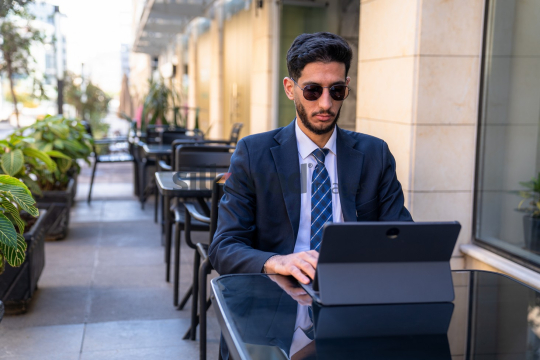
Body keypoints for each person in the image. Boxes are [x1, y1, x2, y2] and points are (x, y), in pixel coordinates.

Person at [209, 32, 412, 286]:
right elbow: (224, 247)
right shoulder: (253, 154)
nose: (326, 104)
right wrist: (278, 262)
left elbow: (402, 237)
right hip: (277, 295)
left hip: (354, 292)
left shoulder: (375, 154)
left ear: (346, 86)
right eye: (312, 90)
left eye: (337, 90)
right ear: (290, 89)